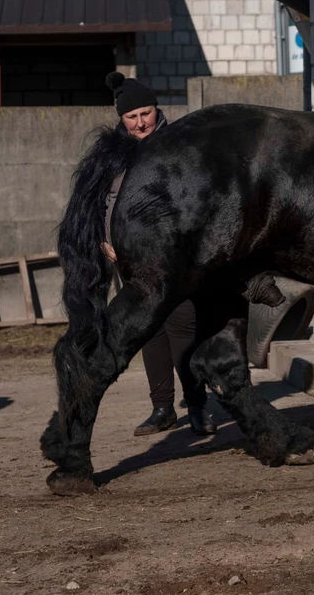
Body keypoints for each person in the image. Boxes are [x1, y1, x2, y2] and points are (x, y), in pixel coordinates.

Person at [102, 72, 217, 437]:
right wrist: (103, 238)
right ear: (122, 121)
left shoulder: (179, 144)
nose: (139, 123)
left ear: (157, 110)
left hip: (175, 257)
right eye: (131, 117)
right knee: (149, 332)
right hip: (131, 259)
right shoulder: (114, 154)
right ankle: (162, 408)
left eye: (145, 113)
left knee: (182, 325)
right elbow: (100, 202)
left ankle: (197, 406)